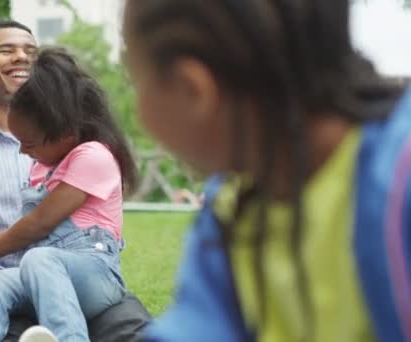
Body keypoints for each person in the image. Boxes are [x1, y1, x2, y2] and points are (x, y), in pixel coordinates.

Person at [122, 0, 411, 341]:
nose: (139, 114)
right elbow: (197, 325)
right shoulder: (232, 206)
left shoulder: (397, 186)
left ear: (194, 89)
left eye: (136, 80)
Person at [0, 20, 151, 341]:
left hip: (86, 275)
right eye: (6, 50)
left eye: (29, 51)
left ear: (63, 132)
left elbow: (39, 223)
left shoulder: (88, 154)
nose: (23, 151)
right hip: (20, 274)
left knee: (130, 330)